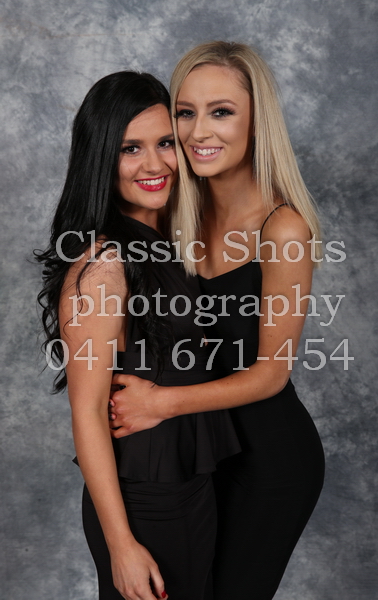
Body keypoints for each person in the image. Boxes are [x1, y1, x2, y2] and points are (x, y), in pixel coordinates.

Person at [108, 42, 325, 599]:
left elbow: (271, 374)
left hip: (270, 461)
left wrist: (160, 403)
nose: (198, 131)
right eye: (185, 112)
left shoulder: (283, 229)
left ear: (256, 121)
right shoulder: (175, 210)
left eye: (221, 111)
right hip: (197, 452)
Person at [35, 70, 241, 600]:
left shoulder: (162, 241)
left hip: (188, 486)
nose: (155, 164)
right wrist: (122, 545)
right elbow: (87, 412)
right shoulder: (104, 264)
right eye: (131, 149)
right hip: (148, 503)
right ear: (102, 158)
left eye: (165, 143)